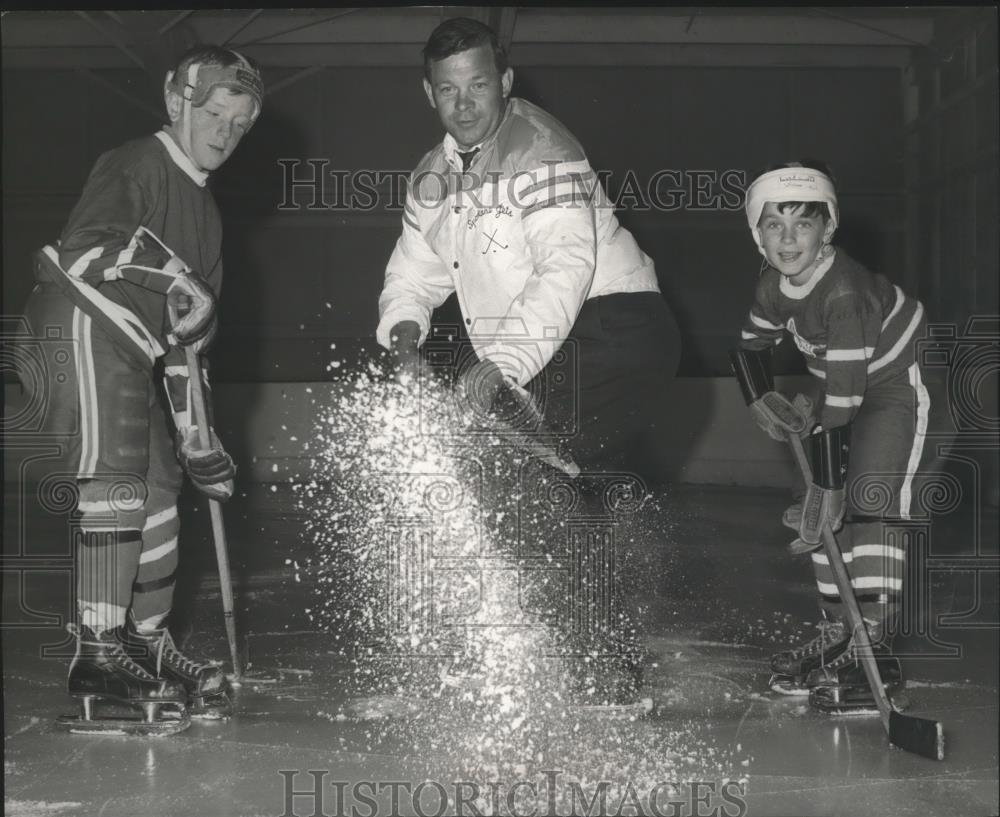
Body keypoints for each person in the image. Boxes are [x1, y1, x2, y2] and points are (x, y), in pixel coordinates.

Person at [15, 45, 262, 735]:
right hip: (78, 324)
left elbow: (187, 341)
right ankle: (97, 649)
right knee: (119, 479)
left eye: (240, 123)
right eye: (214, 112)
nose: (224, 131)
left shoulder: (207, 214)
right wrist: (182, 280)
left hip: (134, 347)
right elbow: (87, 251)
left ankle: (144, 643)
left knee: (160, 488)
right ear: (177, 100)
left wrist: (199, 439)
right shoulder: (136, 163)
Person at [377, 16, 680, 483]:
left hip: (612, 330)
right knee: (523, 483)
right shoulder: (431, 178)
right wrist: (403, 342)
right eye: (447, 90)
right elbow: (412, 276)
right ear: (428, 92)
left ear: (505, 81)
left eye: (477, 85)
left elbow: (564, 268)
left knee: (503, 471)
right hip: (545, 347)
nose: (463, 106)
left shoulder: (542, 148)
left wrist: (502, 363)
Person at [732, 161, 929, 713]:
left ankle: (876, 647)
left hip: (899, 385)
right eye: (774, 225)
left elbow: (843, 400)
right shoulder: (774, 285)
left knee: (867, 502)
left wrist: (831, 477)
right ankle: (841, 633)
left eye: (803, 224)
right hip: (842, 390)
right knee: (822, 514)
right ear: (757, 234)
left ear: (829, 231)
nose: (788, 238)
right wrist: (757, 397)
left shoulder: (844, 292)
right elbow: (748, 346)